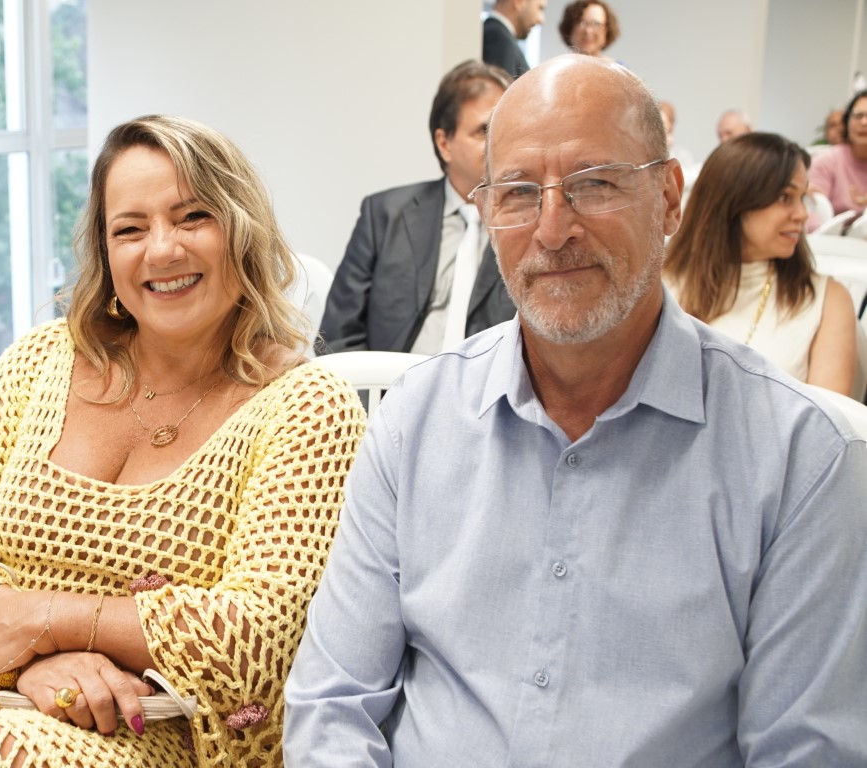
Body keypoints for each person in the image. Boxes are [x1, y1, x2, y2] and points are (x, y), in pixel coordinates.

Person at [285, 55, 867, 765]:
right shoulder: (414, 421)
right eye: (518, 193)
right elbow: (333, 703)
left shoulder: (800, 458)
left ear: (670, 199)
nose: (553, 229)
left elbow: (803, 752)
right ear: (485, 211)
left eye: (594, 184)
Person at [0, 115, 367, 767]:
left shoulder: (309, 407)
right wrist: (33, 666)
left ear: (242, 228)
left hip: (170, 736)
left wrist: (41, 619)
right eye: (129, 229)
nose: (161, 250)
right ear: (105, 253)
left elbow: (256, 632)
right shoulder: (42, 358)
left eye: (192, 217)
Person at [319, 60, 516, 354]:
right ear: (444, 144)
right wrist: (368, 384)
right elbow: (337, 334)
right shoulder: (385, 215)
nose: (498, 142)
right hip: (387, 381)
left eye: (506, 129)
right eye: (484, 130)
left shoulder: (529, 221)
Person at [665, 132, 858, 397]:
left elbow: (829, 417)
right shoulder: (661, 285)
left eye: (802, 197)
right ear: (734, 202)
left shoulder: (826, 300)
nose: (802, 214)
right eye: (785, 197)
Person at [809, 90, 867, 221]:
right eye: (858, 116)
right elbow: (812, 215)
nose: (864, 122)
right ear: (846, 122)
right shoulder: (825, 161)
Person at [482, 0, 546, 79]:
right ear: (518, 2)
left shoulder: (499, 35)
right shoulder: (499, 38)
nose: (541, 20)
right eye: (540, 8)